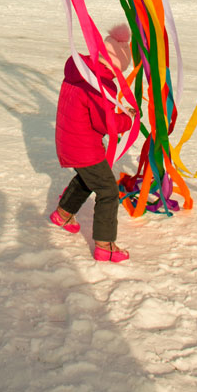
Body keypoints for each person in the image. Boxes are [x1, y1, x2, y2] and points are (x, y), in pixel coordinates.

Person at [49, 25, 134, 262]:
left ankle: (63, 214)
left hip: (69, 141)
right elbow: (104, 123)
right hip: (83, 145)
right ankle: (105, 245)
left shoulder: (81, 70)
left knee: (89, 177)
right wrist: (128, 119)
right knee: (108, 190)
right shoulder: (99, 84)